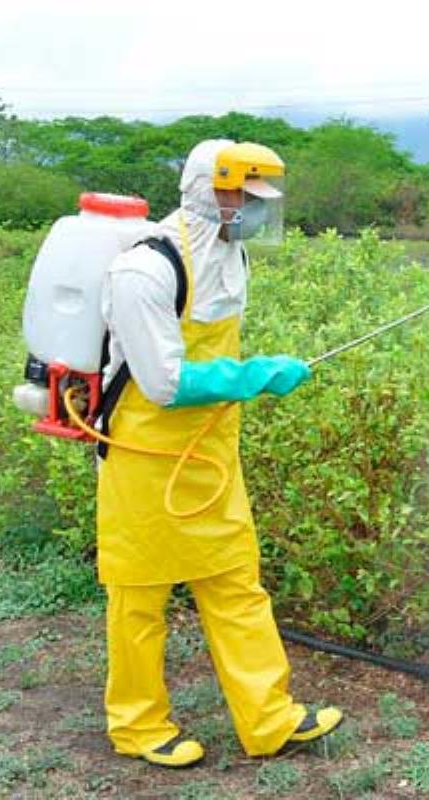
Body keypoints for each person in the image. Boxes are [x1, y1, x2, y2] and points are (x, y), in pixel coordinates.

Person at [96, 139, 342, 768]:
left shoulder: (230, 256)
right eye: (247, 198)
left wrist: (247, 378)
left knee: (237, 583)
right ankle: (138, 725)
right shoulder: (145, 269)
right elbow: (164, 383)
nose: (257, 212)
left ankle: (270, 720)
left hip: (209, 454)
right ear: (214, 192)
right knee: (139, 599)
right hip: (142, 455)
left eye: (264, 201)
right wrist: (252, 375)